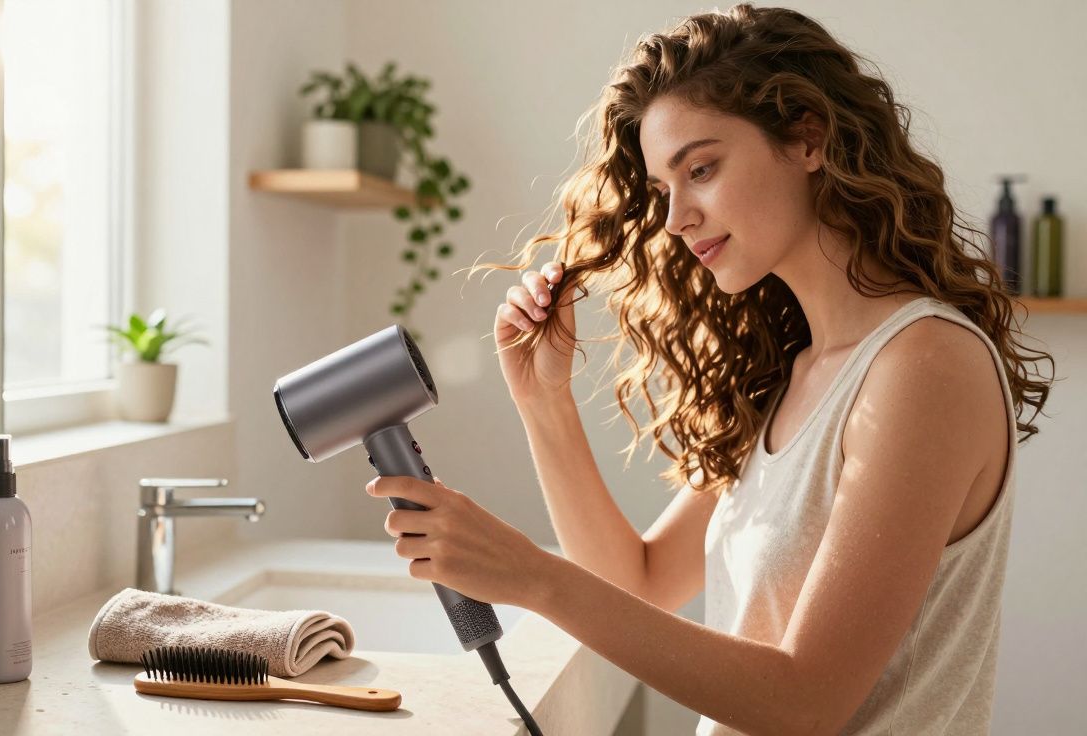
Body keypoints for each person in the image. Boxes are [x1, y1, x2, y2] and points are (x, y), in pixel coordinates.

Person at [365, 4, 1056, 734]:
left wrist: (532, 578)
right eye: (664, 189)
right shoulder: (793, 376)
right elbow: (640, 581)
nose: (676, 219)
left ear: (808, 139)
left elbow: (805, 700)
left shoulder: (923, 365)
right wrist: (544, 401)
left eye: (702, 168)